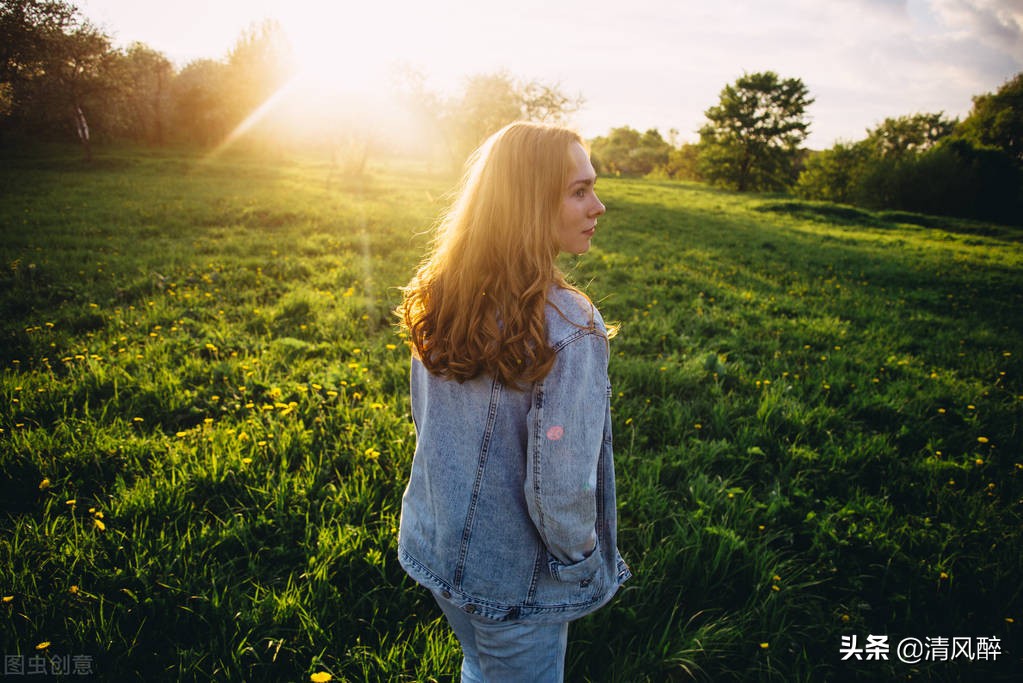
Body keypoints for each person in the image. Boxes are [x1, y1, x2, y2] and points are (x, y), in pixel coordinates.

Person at [396, 121, 631, 682]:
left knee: (478, 663)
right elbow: (559, 486)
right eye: (579, 191)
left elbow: (423, 420)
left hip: (438, 541)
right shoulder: (572, 328)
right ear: (529, 203)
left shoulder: (439, 294)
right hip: (516, 576)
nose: (598, 206)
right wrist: (581, 565)